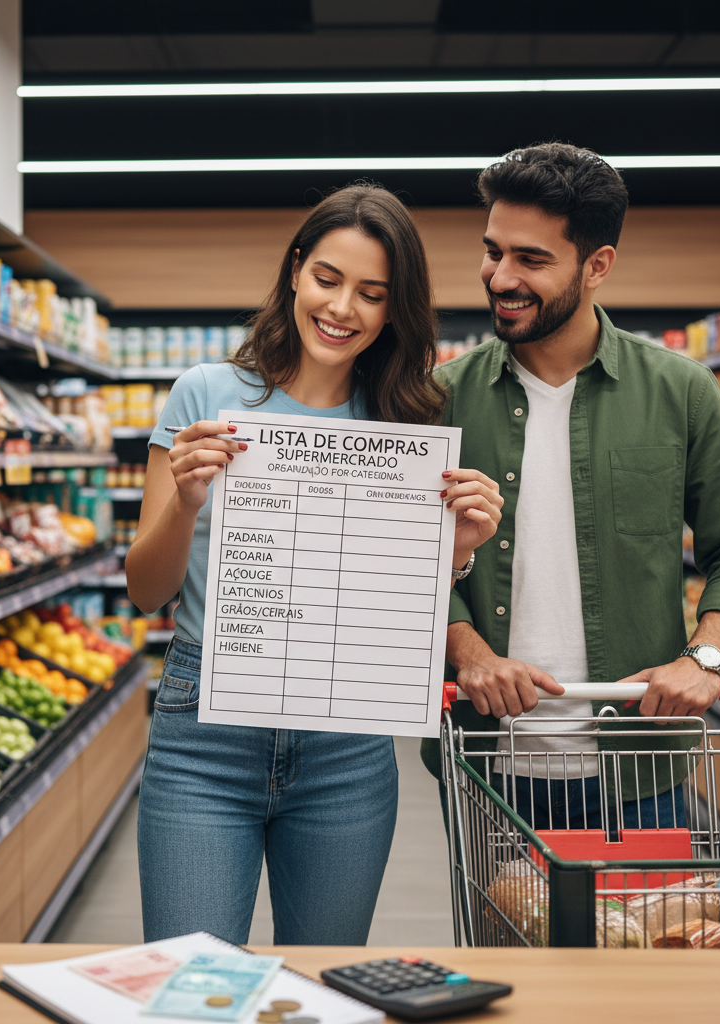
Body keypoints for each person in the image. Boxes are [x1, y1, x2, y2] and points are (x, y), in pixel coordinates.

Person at [127, 184, 503, 945]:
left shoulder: (411, 421)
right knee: (189, 983)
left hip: (347, 747)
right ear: (296, 269)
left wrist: (456, 555)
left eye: (372, 294)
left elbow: (391, 612)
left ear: (395, 311)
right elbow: (144, 592)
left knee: (326, 981)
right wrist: (187, 502)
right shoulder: (206, 394)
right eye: (328, 279)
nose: (343, 309)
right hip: (204, 730)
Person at [420, 143, 720, 832]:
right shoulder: (439, 399)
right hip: (484, 762)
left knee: (643, 941)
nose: (500, 276)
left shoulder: (682, 392)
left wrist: (704, 657)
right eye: (492, 251)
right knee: (500, 938)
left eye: (530, 260)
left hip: (639, 764)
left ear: (597, 266)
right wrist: (467, 648)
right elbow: (401, 558)